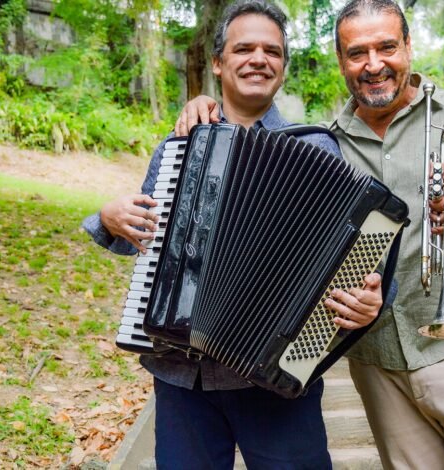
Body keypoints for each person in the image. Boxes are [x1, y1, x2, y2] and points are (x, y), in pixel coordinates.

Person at [174, 1, 444, 468]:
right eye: (357, 53)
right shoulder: (323, 146)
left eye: (386, 48)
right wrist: (206, 105)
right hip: (380, 369)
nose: (373, 65)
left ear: (409, 48)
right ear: (341, 62)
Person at [82, 2, 387, 468]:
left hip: (275, 377)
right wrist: (108, 219)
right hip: (182, 376)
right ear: (219, 63)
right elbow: (145, 237)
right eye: (244, 48)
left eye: (272, 51)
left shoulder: (315, 147)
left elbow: (355, 257)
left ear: (283, 67)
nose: (258, 59)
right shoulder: (178, 144)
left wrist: (370, 299)